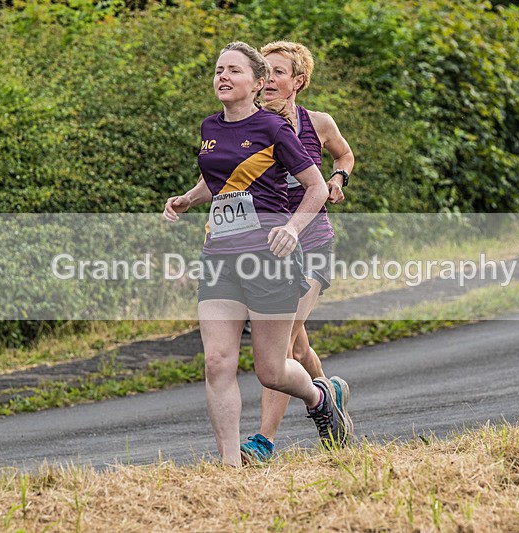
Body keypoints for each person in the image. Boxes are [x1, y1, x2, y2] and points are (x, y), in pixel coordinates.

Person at [163, 41, 352, 467]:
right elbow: (219, 182)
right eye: (218, 70)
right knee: (217, 362)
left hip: (270, 258)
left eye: (233, 71)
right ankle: (231, 466)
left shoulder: (275, 128)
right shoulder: (210, 127)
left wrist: (291, 227)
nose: (223, 77)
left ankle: (320, 394)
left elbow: (316, 187)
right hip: (220, 256)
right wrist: (187, 200)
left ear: (257, 82)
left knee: (272, 369)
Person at [240, 41, 355, 463]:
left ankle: (263, 442)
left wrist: (338, 177)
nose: (267, 80)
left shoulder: (318, 123)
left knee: (282, 347)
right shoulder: (247, 127)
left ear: (298, 82)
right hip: (270, 251)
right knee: (301, 350)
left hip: (312, 244)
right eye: (262, 72)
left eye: (277, 73)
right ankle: (330, 395)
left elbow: (343, 153)